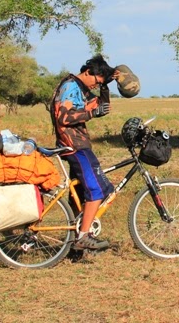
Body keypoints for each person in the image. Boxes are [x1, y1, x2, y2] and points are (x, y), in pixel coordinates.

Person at [49, 55, 119, 251]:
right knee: (96, 190)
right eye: (97, 81)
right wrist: (90, 114)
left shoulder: (81, 87)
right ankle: (83, 237)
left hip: (79, 144)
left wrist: (106, 85)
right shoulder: (71, 87)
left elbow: (101, 108)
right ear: (88, 72)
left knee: (81, 194)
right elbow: (63, 116)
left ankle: (77, 233)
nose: (96, 86)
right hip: (74, 145)